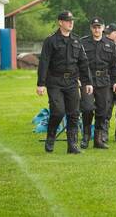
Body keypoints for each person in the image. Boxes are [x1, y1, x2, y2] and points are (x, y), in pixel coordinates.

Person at [37, 10, 93, 154]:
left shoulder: (76, 40)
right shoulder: (51, 41)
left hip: (72, 82)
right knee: (58, 112)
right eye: (68, 21)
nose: (71, 23)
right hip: (55, 81)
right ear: (60, 22)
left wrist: (87, 82)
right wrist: (41, 84)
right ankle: (51, 137)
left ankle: (72, 145)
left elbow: (83, 63)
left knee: (74, 113)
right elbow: (44, 62)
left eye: (72, 20)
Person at [79, 17, 116, 150]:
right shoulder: (83, 43)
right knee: (87, 108)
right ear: (91, 28)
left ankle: (98, 139)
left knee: (102, 111)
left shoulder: (110, 43)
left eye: (99, 27)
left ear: (103, 28)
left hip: (104, 81)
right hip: (87, 80)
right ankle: (85, 137)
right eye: (94, 27)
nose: (97, 29)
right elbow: (77, 62)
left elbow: (115, 65)